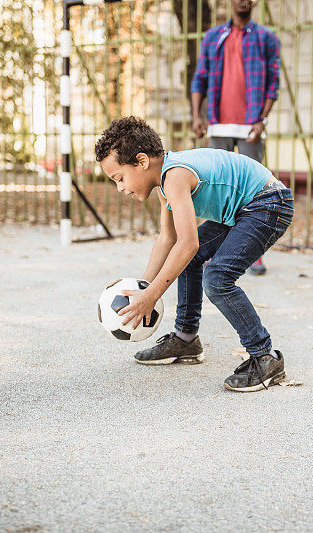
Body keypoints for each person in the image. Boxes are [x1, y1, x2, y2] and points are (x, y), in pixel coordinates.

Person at [95, 116, 293, 392]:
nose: (120, 188)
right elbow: (169, 238)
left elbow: (188, 244)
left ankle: (264, 357)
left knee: (217, 277)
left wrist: (151, 297)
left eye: (119, 178)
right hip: (245, 209)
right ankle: (185, 339)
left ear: (141, 161)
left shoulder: (175, 176)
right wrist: (142, 287)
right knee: (191, 261)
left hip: (268, 204)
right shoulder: (165, 179)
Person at [191, 0, 280, 276]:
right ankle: (214, 250)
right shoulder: (212, 37)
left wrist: (262, 120)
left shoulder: (267, 38)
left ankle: (255, 254)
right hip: (218, 123)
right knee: (216, 191)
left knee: (257, 192)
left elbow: (273, 83)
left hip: (250, 123)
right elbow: (200, 78)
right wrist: (197, 116)